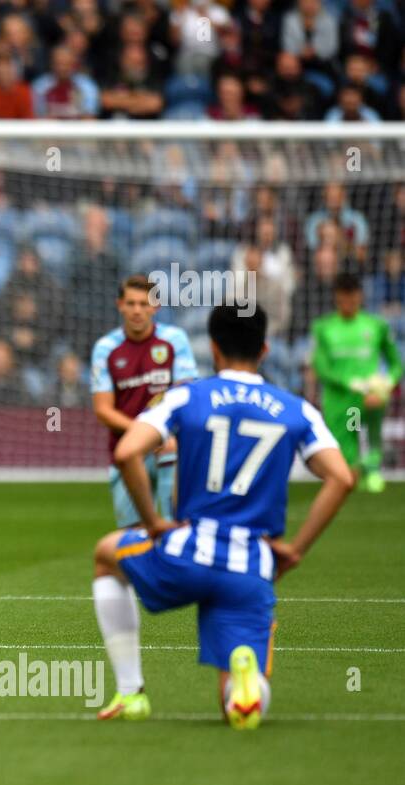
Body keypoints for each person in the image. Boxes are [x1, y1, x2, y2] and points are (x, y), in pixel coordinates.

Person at [91, 302, 354, 728]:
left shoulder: (186, 396)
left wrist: (155, 523)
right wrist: (297, 550)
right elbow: (341, 479)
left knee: (106, 556)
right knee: (231, 699)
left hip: (188, 551)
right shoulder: (296, 409)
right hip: (250, 564)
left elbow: (126, 453)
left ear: (213, 349)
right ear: (265, 349)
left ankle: (130, 691)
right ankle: (244, 686)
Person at [91, 275, 199, 527]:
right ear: (120, 305)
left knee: (177, 527)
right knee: (133, 536)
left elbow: (186, 395)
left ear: (156, 306)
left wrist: (161, 435)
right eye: (131, 303)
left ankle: (174, 530)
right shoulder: (106, 348)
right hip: (128, 448)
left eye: (143, 303)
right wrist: (146, 434)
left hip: (167, 445)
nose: (137, 310)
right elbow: (103, 410)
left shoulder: (175, 340)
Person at [310, 272, 403, 493]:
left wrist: (385, 384)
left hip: (369, 396)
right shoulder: (324, 328)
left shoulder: (376, 326)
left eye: (352, 299)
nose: (348, 304)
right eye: (343, 299)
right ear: (336, 298)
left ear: (360, 297)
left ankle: (373, 469)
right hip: (340, 399)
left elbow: (396, 364)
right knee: (347, 450)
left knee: (373, 418)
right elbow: (321, 366)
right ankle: (355, 469)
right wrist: (348, 382)